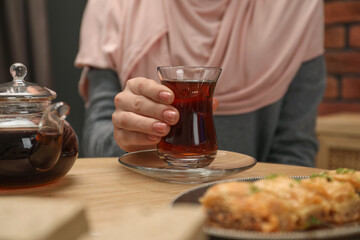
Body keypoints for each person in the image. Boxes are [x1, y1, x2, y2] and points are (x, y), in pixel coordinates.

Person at [75, 0, 326, 167]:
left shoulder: (295, 8)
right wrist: (123, 139)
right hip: (140, 213)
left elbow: (294, 154)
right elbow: (94, 143)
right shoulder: (113, 5)